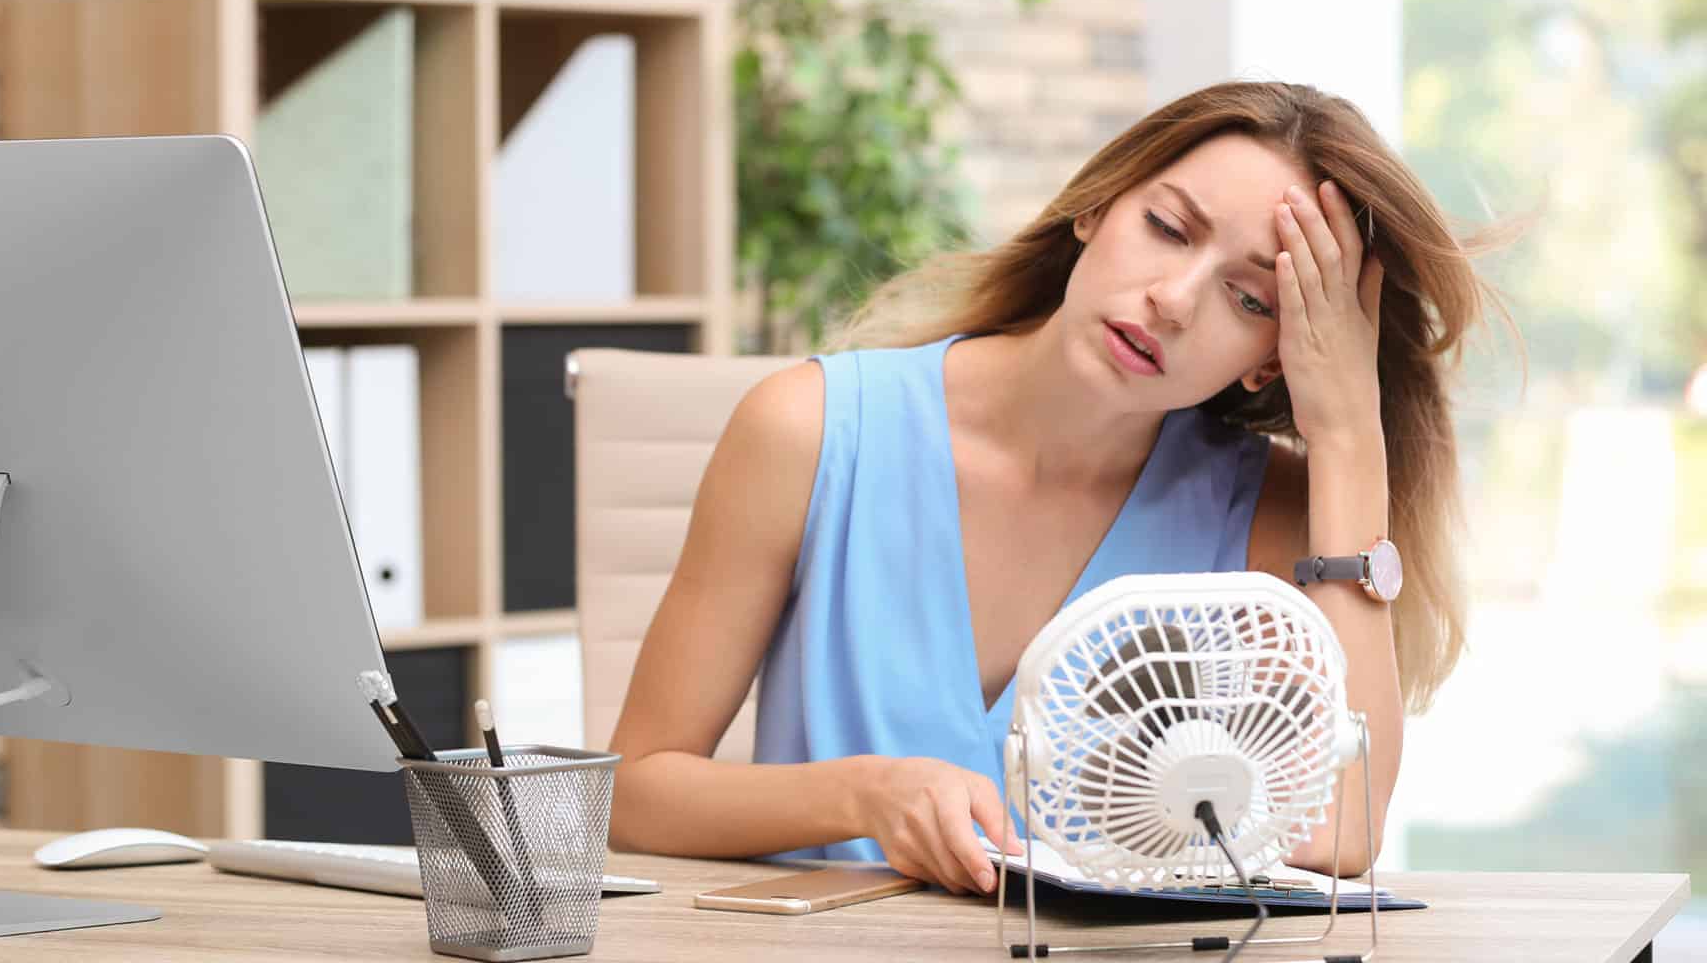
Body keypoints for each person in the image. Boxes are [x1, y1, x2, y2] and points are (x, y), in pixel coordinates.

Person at [605, 80, 1506, 895]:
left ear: (1270, 365)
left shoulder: (1264, 516)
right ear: (1094, 209)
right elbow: (631, 792)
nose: (1174, 300)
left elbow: (1339, 833)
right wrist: (865, 794)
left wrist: (1348, 434)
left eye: (1251, 300)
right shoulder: (805, 430)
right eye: (1167, 228)